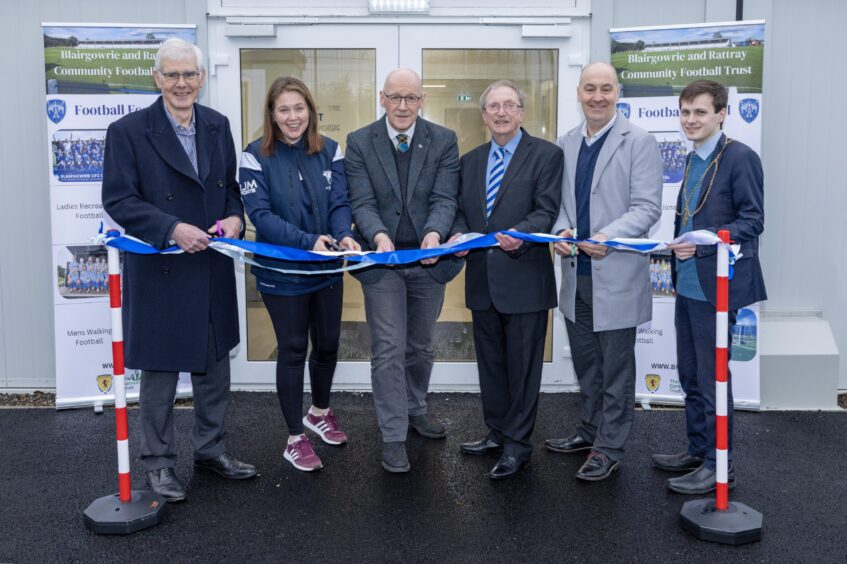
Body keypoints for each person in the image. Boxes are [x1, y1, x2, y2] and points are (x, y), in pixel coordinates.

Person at [102, 38, 256, 502]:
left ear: (202, 78)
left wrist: (234, 217)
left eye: (189, 74)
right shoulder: (128, 131)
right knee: (161, 376)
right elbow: (119, 200)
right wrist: (172, 228)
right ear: (157, 78)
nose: (181, 83)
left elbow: (231, 188)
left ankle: (210, 450)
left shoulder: (217, 124)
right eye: (172, 75)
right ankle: (159, 464)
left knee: (214, 369)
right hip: (162, 272)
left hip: (209, 267)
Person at [545, 62, 662, 481]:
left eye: (606, 88)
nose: (597, 96)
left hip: (616, 275)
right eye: (590, 88)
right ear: (578, 93)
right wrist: (559, 231)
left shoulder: (640, 141)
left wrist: (607, 237)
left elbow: (647, 207)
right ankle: (589, 430)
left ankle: (609, 447)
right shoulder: (567, 142)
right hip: (577, 277)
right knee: (587, 366)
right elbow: (560, 205)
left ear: (618, 93)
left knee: (615, 370)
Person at [239, 77, 360, 472]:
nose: (293, 117)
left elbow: (341, 202)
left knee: (327, 345)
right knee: (292, 349)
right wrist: (309, 241)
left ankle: (319, 413)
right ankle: (295, 437)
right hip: (282, 274)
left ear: (311, 110)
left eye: (299, 108)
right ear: (272, 115)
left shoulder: (331, 151)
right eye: (284, 110)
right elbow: (262, 218)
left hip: (326, 268)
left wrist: (343, 235)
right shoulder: (254, 156)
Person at [346, 68, 462, 473]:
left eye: (410, 98)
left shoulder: (443, 140)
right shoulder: (360, 142)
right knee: (389, 347)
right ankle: (393, 435)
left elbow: (446, 197)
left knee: (420, 346)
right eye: (395, 97)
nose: (402, 106)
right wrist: (378, 237)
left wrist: (434, 233)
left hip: (428, 261)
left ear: (422, 100)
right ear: (382, 98)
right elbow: (361, 202)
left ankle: (415, 408)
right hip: (384, 262)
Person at [654, 80, 766, 494]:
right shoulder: (692, 158)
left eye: (699, 112)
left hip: (717, 288)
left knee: (714, 378)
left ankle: (721, 466)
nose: (690, 120)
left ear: (721, 113)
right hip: (688, 286)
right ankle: (698, 450)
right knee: (691, 375)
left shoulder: (740, 158)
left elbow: (753, 222)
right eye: (684, 112)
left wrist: (702, 242)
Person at [450, 79, 563, 480]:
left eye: (509, 105)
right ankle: (497, 433)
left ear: (521, 112)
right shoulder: (470, 160)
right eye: (493, 106)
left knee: (522, 369)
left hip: (525, 282)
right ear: (483, 116)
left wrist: (522, 234)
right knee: (492, 367)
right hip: (482, 282)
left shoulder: (547, 156)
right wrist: (459, 235)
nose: (501, 112)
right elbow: (462, 212)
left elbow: (546, 211)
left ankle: (518, 446)